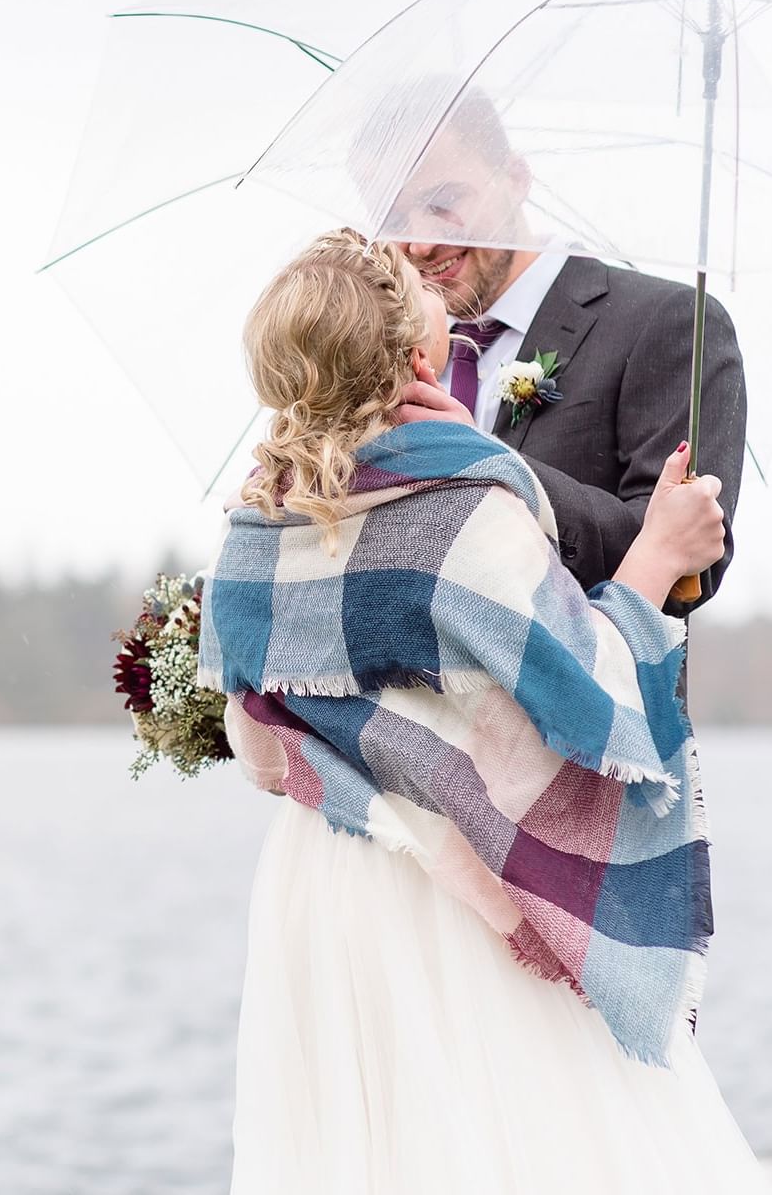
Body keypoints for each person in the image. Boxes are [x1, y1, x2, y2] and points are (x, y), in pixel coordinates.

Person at [197, 230, 766, 1194]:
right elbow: (593, 702)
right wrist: (658, 556)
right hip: (454, 880)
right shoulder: (466, 513)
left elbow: (254, 746)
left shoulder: (249, 533)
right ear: (418, 365)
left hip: (322, 886)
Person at [380, 89, 747, 614]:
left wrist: (484, 462)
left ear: (515, 178)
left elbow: (686, 570)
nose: (417, 244)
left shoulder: (666, 322)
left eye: (443, 202)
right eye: (393, 216)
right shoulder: (389, 355)